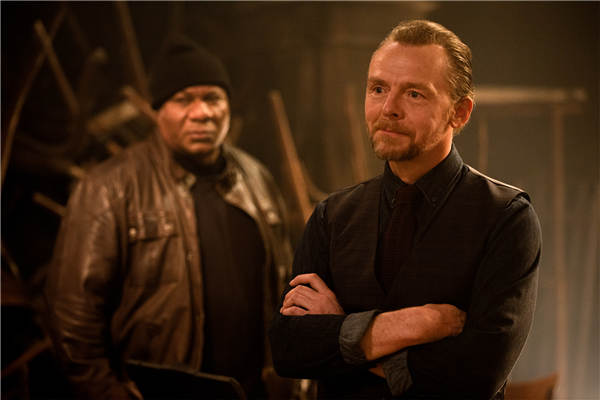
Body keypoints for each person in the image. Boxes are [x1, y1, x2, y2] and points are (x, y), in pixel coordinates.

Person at [269, 19, 541, 399]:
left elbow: (474, 378)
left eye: (414, 94)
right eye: (378, 89)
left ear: (460, 113)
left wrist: (341, 330)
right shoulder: (333, 215)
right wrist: (416, 324)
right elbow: (289, 350)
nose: (389, 108)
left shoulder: (505, 217)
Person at [44, 34, 293, 399]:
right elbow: (71, 318)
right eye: (183, 100)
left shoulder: (256, 178)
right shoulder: (109, 188)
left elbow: (285, 287)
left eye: (213, 98)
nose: (202, 113)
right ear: (158, 110)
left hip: (253, 391)